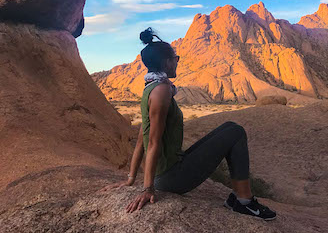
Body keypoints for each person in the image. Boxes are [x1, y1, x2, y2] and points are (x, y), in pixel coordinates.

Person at [100, 27, 276, 220]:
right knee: (236, 132)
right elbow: (151, 142)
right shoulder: (161, 92)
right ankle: (244, 202)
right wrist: (148, 188)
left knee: (229, 128)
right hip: (171, 178)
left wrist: (131, 179)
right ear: (167, 63)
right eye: (176, 58)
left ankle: (240, 199)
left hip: (170, 170)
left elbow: (143, 135)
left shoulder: (151, 88)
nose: (177, 62)